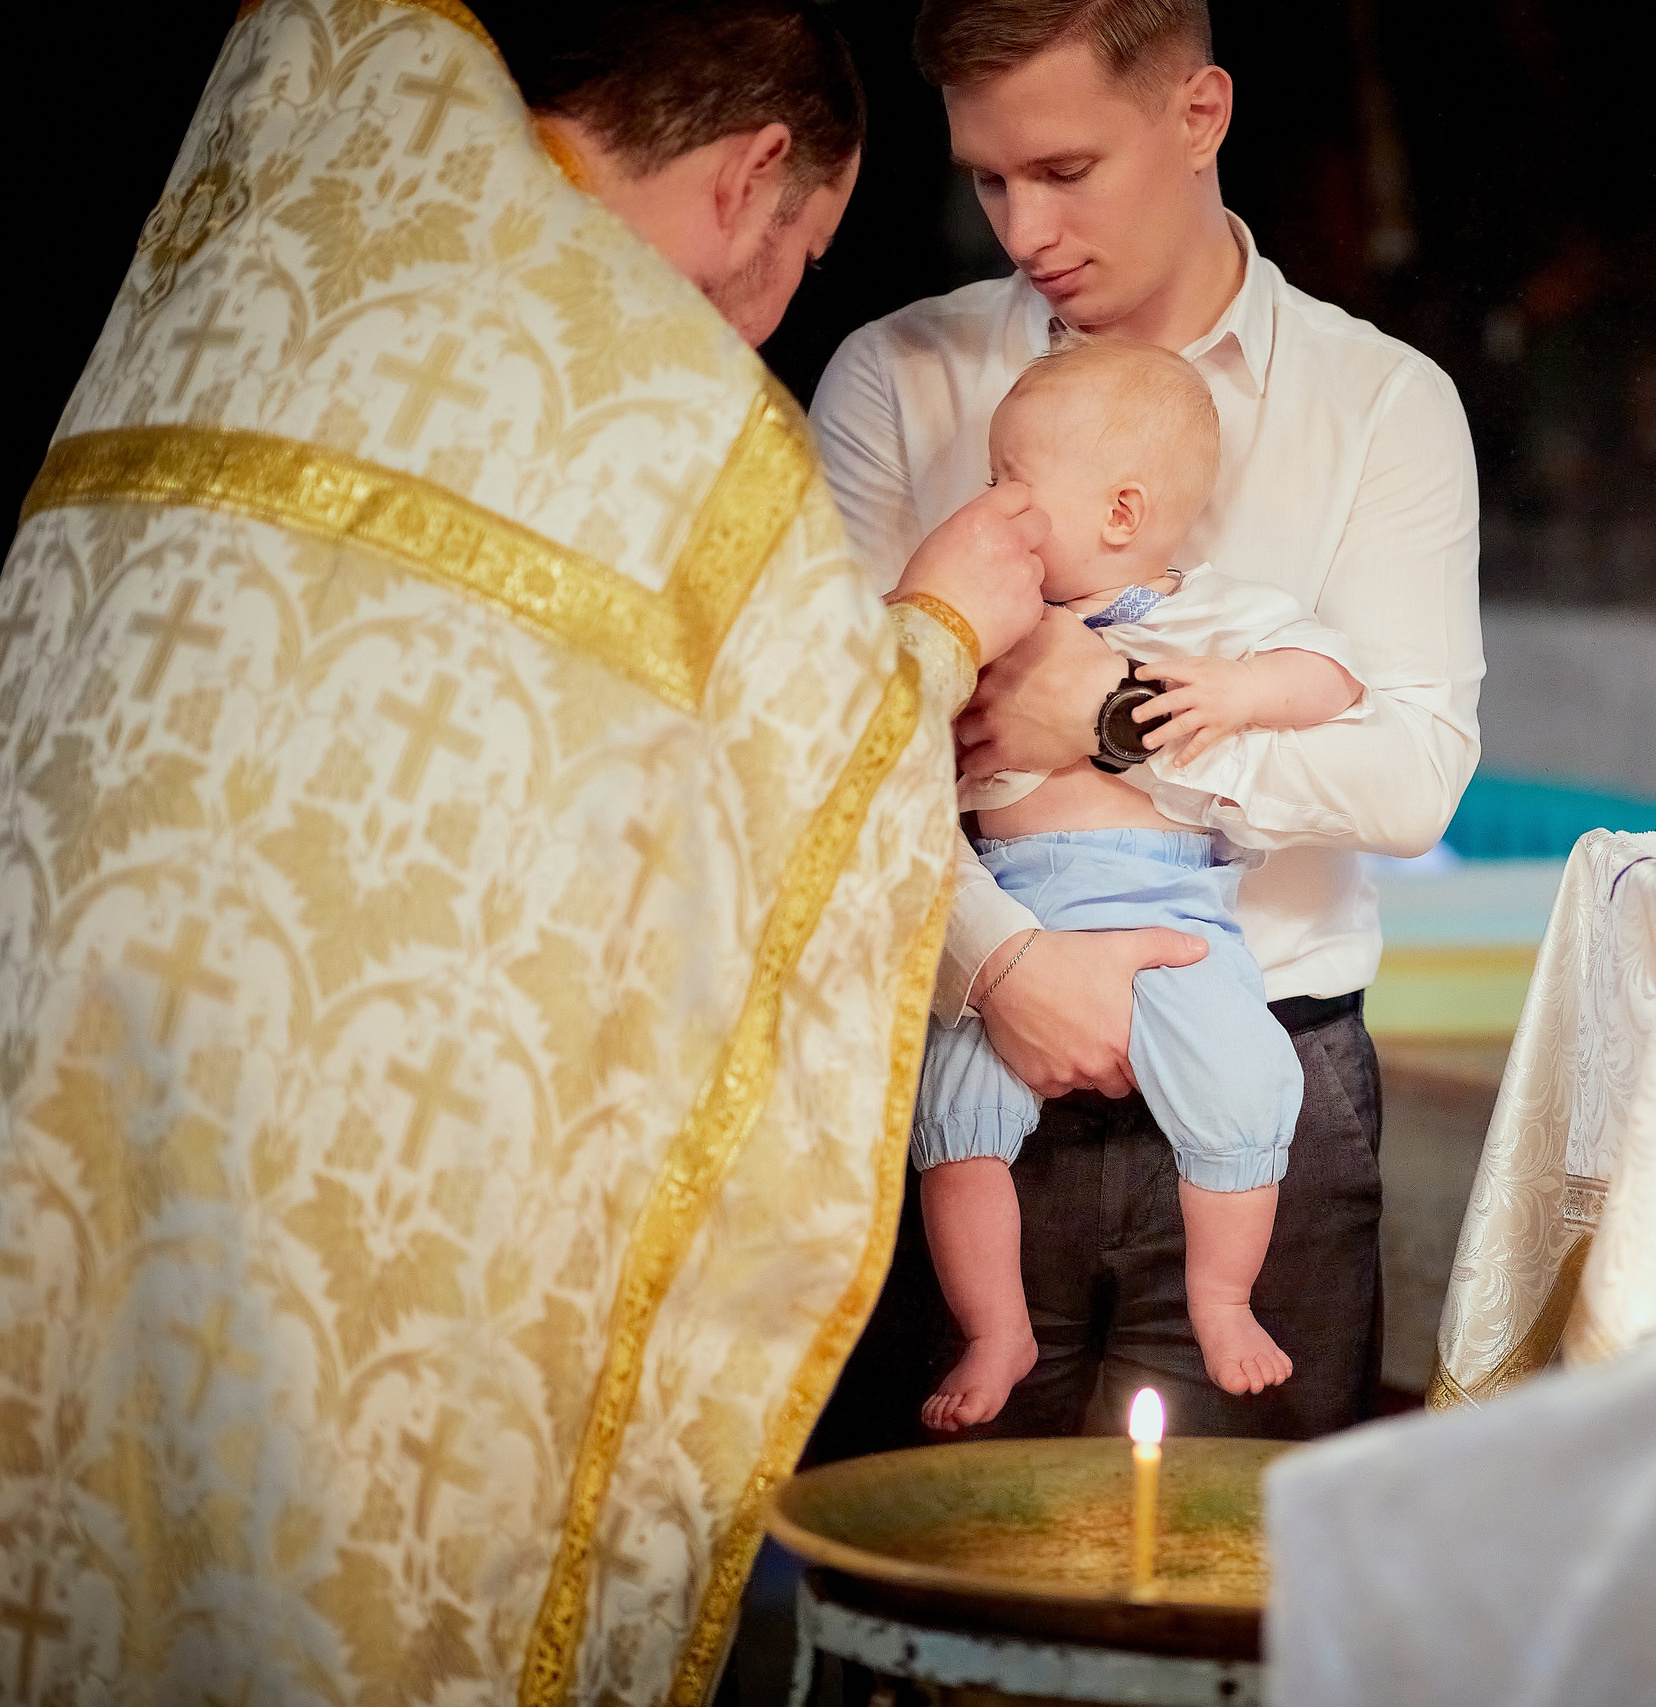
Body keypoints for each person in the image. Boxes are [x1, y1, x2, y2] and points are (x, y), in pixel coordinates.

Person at [0, 3, 1044, 1703]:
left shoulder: (256, 265)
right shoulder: (670, 404)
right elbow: (803, 789)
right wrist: (940, 624)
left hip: (59, 1071)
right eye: (805, 255)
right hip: (342, 1170)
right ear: (754, 171)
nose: (777, 312)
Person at [813, 0, 1483, 1445]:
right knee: (943, 1588)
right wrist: (1002, 969)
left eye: (1062, 169)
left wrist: (1116, 724)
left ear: (1199, 115)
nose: (1022, 228)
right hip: (954, 1051)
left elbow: (1415, 771)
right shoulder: (898, 378)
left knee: (1241, 1609)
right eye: (987, 178)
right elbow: (823, 759)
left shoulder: (1380, 405)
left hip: (1273, 1062)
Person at [915, 336, 1368, 1429]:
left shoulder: (1216, 618)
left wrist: (1235, 693)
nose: (993, 508)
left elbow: (1336, 680)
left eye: (1009, 484)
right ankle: (996, 1328)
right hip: (1009, 914)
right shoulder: (987, 616)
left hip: (1174, 916)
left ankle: (1221, 1299)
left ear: (1120, 516)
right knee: (954, 1120)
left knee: (1246, 1080)